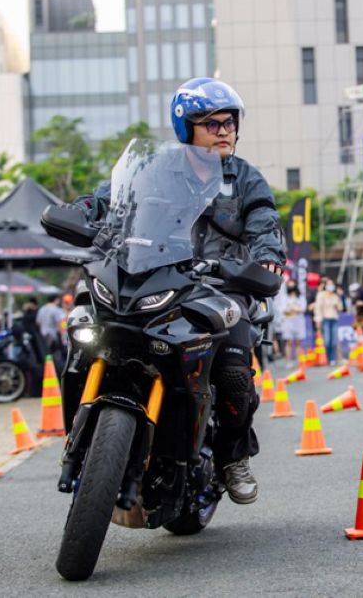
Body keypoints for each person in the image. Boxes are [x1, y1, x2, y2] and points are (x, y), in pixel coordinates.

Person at [71, 77, 285, 505]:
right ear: (187, 129)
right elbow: (110, 197)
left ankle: (232, 457)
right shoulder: (154, 168)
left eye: (229, 123)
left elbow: (264, 221)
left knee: (233, 370)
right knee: (85, 328)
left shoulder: (245, 178)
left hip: (221, 286)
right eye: (212, 124)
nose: (224, 131)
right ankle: (87, 437)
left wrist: (267, 258)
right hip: (154, 276)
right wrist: (83, 210)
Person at [313, 277, 343, 364]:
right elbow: (318, 308)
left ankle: (332, 358)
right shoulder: (321, 295)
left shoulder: (335, 296)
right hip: (325, 319)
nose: (331, 286)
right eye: (329, 284)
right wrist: (318, 319)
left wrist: (337, 304)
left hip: (334, 319)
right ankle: (326, 357)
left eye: (332, 284)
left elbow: (340, 308)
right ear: (325, 286)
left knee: (334, 341)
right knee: (327, 340)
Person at [277, 280, 307, 361]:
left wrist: (292, 308)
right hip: (288, 322)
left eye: (292, 286)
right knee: (288, 342)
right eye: (289, 286)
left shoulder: (301, 297)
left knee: (298, 342)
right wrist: (294, 308)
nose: (291, 288)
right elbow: (283, 309)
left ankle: (299, 361)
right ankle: (288, 361)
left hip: (299, 321)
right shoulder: (284, 298)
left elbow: (302, 309)